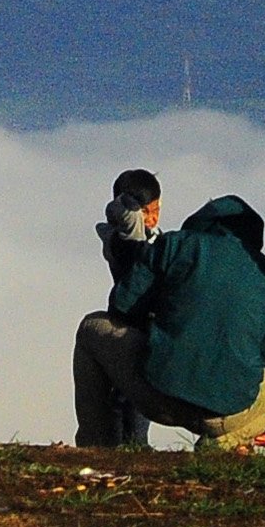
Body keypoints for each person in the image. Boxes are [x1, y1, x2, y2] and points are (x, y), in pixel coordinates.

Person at [75, 195, 265, 450]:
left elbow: (122, 306)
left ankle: (96, 445)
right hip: (228, 411)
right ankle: (224, 442)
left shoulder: (175, 244)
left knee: (91, 328)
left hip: (158, 396)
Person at [88, 167, 165, 446]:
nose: (153, 218)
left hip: (150, 322)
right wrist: (126, 208)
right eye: (146, 211)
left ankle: (129, 444)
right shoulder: (122, 240)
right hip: (132, 322)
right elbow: (128, 223)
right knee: (129, 392)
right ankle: (133, 446)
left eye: (157, 210)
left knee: (131, 390)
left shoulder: (152, 238)